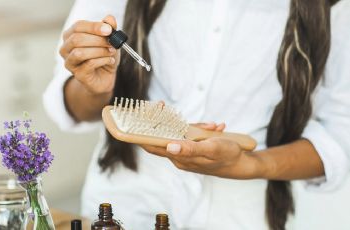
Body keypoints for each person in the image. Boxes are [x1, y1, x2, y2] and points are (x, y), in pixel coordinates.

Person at [43, 0, 350, 229]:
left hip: (244, 216)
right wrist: (94, 88)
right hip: (125, 203)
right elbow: (70, 105)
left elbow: (339, 138)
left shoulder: (334, 8)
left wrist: (249, 164)